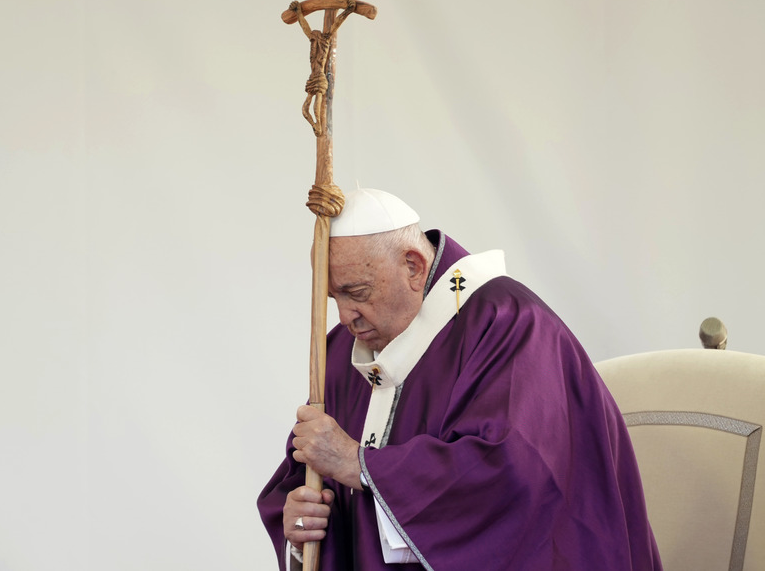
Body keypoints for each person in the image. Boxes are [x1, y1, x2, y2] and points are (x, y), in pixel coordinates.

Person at [257, 188, 661, 570]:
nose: (345, 316)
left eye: (357, 292)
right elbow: (307, 484)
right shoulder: (342, 353)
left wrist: (359, 464)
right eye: (334, 299)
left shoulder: (510, 325)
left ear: (413, 266)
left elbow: (513, 473)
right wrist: (302, 529)